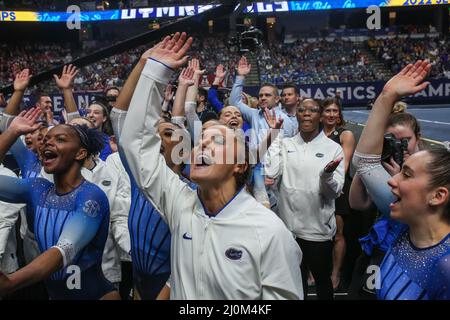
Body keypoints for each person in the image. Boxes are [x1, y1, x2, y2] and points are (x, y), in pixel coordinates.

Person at [120, 32, 303, 300]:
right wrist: (154, 74)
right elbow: (135, 143)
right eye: (200, 140)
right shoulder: (180, 204)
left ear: (240, 165)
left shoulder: (270, 231)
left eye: (216, 140)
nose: (200, 146)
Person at [353, 60, 450, 300]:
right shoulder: (407, 225)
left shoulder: (445, 267)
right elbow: (365, 163)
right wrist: (387, 96)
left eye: (406, 174)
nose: (392, 180)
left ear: (437, 196)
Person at [0, 109, 118, 299]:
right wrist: (12, 131)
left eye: (60, 139)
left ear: (80, 153)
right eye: (46, 139)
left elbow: (63, 250)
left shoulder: (91, 196)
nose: (48, 142)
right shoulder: (37, 189)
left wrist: (11, 282)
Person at [265, 98, 345, 300]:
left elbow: (334, 192)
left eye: (312, 110)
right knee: (294, 282)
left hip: (317, 230)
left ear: (320, 116)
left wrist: (326, 176)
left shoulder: (333, 149)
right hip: (289, 230)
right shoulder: (285, 143)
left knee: (322, 282)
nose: (307, 113)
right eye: (302, 110)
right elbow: (271, 172)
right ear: (297, 115)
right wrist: (274, 136)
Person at [321, 97, 356, 291]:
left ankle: (335, 272)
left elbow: (344, 166)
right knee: (315, 231)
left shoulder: (345, 134)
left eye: (335, 111)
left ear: (340, 114)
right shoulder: (315, 134)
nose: (332, 114)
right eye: (328, 111)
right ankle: (315, 270)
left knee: (338, 233)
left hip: (338, 188)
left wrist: (331, 183)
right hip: (315, 187)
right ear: (321, 114)